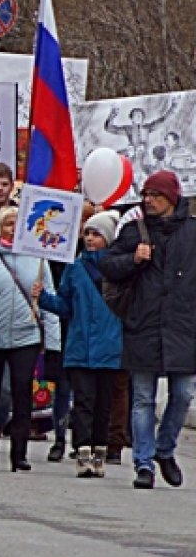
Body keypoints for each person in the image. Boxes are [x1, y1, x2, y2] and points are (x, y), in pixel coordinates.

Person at [99, 170, 196, 490]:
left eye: (156, 195)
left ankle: (164, 449)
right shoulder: (133, 231)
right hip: (143, 325)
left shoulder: (192, 232)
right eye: (146, 195)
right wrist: (133, 259)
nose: (149, 201)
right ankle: (143, 463)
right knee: (142, 398)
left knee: (182, 394)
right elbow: (108, 267)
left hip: (183, 327)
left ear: (172, 198)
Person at [0, 206, 61, 473]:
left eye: (18, 224)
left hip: (25, 336)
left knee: (21, 393)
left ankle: (19, 452)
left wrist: (53, 344)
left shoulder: (38, 259)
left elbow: (49, 301)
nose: (13, 228)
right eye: (8, 224)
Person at [39, 210, 122, 478]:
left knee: (103, 404)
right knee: (84, 401)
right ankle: (83, 450)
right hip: (80, 345)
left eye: (96, 234)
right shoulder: (74, 268)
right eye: (87, 233)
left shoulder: (119, 270)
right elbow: (65, 305)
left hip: (110, 346)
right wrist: (43, 299)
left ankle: (100, 450)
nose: (90, 238)